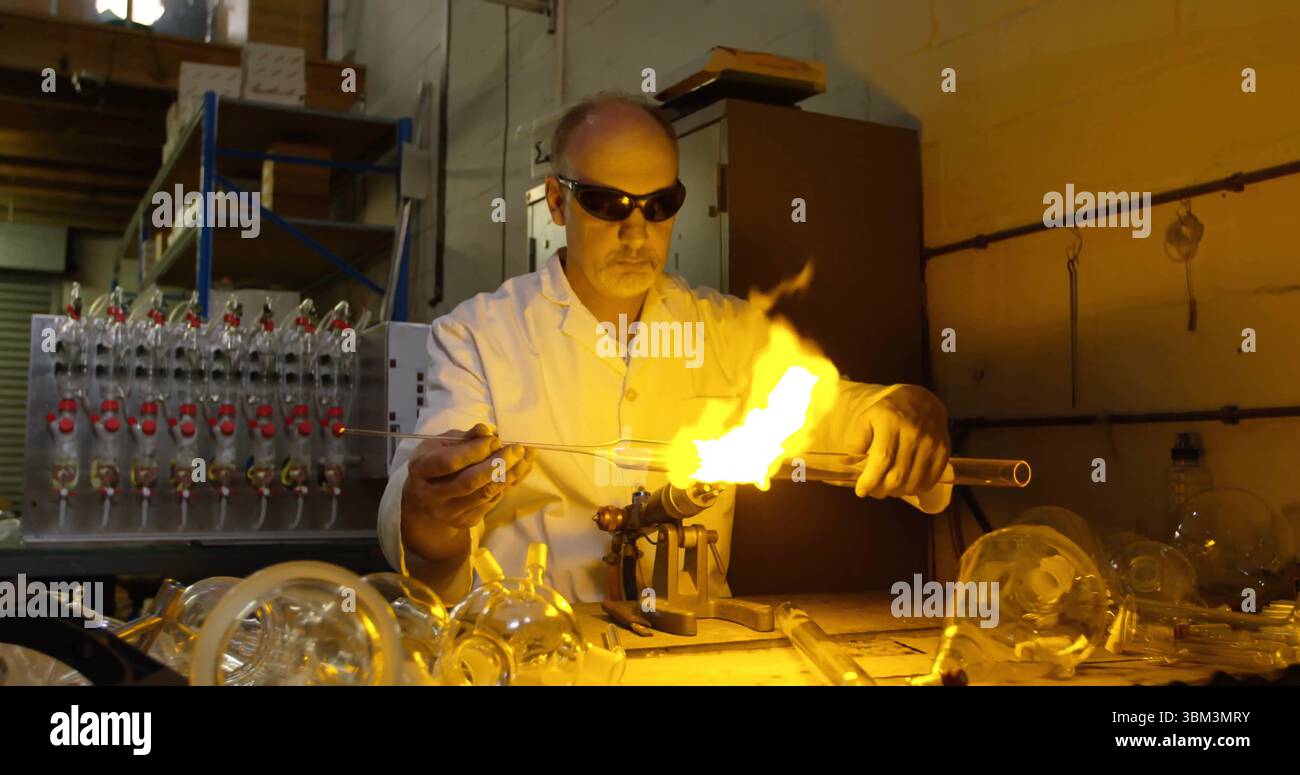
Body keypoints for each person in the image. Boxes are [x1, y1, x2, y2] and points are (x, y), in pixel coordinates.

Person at [378, 93, 951, 603]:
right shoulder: (479, 335)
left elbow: (832, 414)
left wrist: (895, 409)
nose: (636, 234)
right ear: (556, 202)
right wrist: (432, 510)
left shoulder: (727, 330)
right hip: (535, 647)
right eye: (606, 204)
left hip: (693, 650)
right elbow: (420, 527)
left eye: (658, 205)